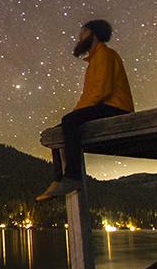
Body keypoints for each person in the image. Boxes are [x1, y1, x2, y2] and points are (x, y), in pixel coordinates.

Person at [35, 19, 134, 201]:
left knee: (69, 121)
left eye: (82, 33)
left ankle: (72, 177)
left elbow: (101, 91)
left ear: (92, 34)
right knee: (59, 129)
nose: (79, 38)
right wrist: (75, 113)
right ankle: (59, 180)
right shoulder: (95, 59)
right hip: (103, 106)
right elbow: (89, 95)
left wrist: (74, 116)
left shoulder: (105, 54)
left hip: (116, 107)